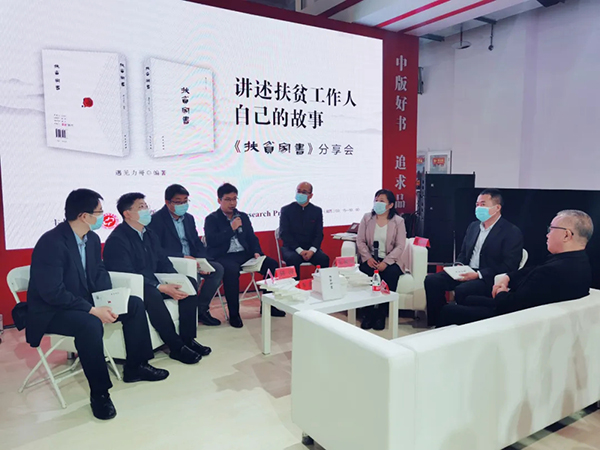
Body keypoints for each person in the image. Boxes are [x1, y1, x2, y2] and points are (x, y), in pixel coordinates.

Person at [26, 189, 168, 420]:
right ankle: (100, 394)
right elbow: (52, 292)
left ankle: (136, 366)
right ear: (84, 216)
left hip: (82, 301)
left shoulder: (91, 239)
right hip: (52, 310)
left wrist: (108, 299)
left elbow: (99, 271)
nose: (103, 216)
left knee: (133, 304)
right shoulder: (51, 243)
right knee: (89, 323)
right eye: (99, 212)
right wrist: (92, 309)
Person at [103, 192, 210, 366]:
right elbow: (126, 273)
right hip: (135, 288)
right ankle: (176, 346)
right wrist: (159, 286)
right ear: (127, 213)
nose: (147, 210)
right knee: (152, 294)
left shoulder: (149, 233)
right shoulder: (118, 239)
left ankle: (188, 339)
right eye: (141, 207)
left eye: (146, 206)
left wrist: (175, 279)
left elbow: (162, 261)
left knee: (189, 283)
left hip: (154, 281)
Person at [438, 210, 593, 326]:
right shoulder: (578, 262)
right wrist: (508, 277)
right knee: (468, 298)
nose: (547, 235)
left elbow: (510, 305)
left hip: (514, 320)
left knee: (448, 310)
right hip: (527, 312)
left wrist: (500, 291)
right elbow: (533, 270)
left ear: (566, 235)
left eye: (551, 229)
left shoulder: (552, 271)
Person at [424, 188, 523, 327]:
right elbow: (464, 253)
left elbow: (509, 266)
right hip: (467, 270)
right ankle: (438, 322)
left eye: (483, 204)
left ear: (497, 208)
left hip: (487, 276)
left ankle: (457, 323)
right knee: (432, 281)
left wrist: (478, 274)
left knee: (463, 290)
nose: (478, 208)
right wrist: (459, 265)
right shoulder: (473, 227)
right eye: (477, 204)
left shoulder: (511, 232)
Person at [204, 183, 283, 328]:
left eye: (234, 199)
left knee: (271, 264)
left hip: (244, 254)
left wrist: (257, 251)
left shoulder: (243, 217)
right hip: (224, 256)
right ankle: (234, 314)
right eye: (228, 199)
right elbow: (212, 241)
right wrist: (231, 228)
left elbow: (252, 238)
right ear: (219, 200)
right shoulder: (212, 219)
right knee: (231, 271)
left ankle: (268, 306)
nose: (232, 203)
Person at [147, 184, 224, 326]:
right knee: (192, 276)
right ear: (167, 202)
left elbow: (196, 242)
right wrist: (182, 257)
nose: (183, 205)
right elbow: (157, 249)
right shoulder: (156, 220)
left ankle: (201, 309)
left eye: (185, 201)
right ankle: (189, 314)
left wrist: (203, 261)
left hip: (193, 260)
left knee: (217, 269)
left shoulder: (188, 218)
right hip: (174, 261)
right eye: (178, 202)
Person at [356, 189, 407, 331]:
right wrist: (367, 258)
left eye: (382, 201)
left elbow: (400, 245)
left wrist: (386, 262)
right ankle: (367, 313)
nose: (377, 203)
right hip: (370, 258)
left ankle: (381, 314)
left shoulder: (398, 221)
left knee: (391, 274)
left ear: (390, 205)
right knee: (365, 272)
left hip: (391, 260)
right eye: (376, 200)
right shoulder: (367, 218)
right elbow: (360, 241)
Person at [279, 181, 330, 279]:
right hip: (291, 248)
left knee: (324, 259)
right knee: (293, 259)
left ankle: (322, 285)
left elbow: (319, 234)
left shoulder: (316, 211)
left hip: (310, 248)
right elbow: (284, 233)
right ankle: (294, 287)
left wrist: (312, 250)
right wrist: (300, 251)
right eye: (299, 191)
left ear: (311, 196)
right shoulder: (286, 210)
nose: (300, 194)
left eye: (304, 192)